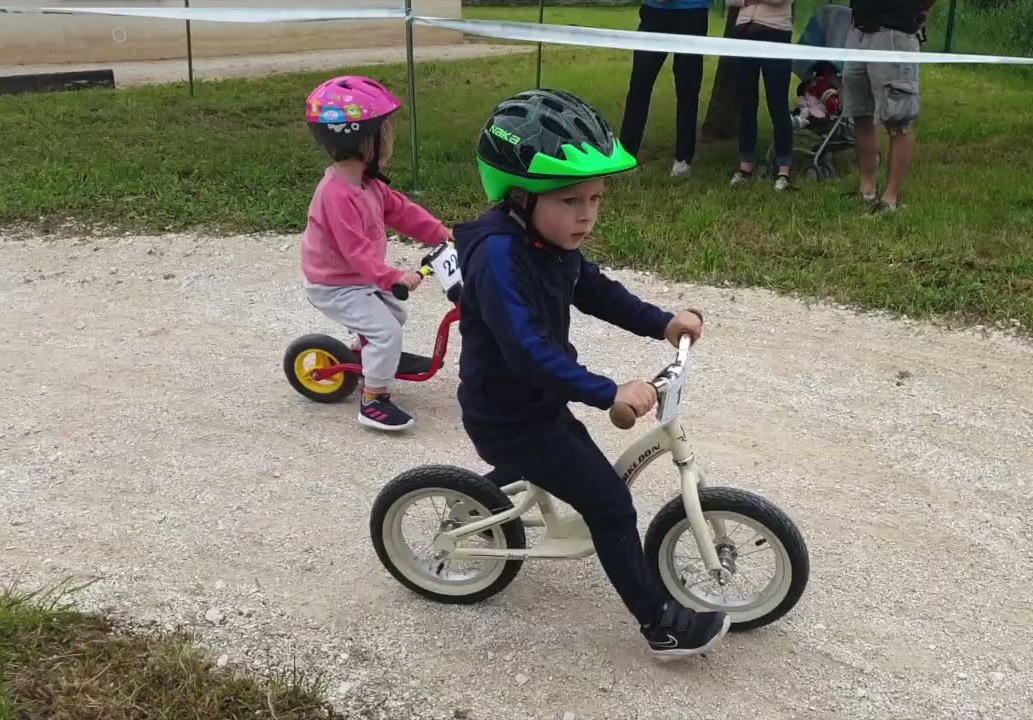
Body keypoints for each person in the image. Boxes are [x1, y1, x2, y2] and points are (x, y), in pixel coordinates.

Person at [452, 88, 732, 660]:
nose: (587, 215)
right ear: (520, 197)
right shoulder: (500, 257)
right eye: (571, 200)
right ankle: (660, 624)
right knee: (608, 503)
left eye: (597, 198)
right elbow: (527, 352)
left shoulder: (548, 240)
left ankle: (488, 499)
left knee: (565, 463)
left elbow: (596, 291)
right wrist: (608, 391)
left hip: (534, 402)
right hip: (509, 412)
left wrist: (664, 323)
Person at [299, 75, 453, 432]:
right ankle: (374, 400)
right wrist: (393, 276)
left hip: (356, 279)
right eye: (385, 132)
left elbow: (402, 211)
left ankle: (368, 353)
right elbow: (354, 252)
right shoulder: (337, 194)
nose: (390, 140)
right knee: (386, 331)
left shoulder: (367, 183)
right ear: (360, 138)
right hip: (335, 285)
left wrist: (442, 233)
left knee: (395, 315)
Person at [843, 0, 934, 212]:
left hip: (895, 35)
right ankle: (867, 189)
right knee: (861, 113)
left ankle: (890, 198)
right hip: (858, 31)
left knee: (899, 120)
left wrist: (918, 13)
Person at [618, 0, 712, 178]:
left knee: (688, 87)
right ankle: (626, 155)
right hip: (655, 11)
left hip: (692, 11)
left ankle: (683, 159)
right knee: (640, 83)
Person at [728, 0, 797, 191]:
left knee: (778, 102)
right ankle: (745, 166)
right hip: (743, 31)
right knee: (746, 101)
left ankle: (784, 170)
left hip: (776, 32)